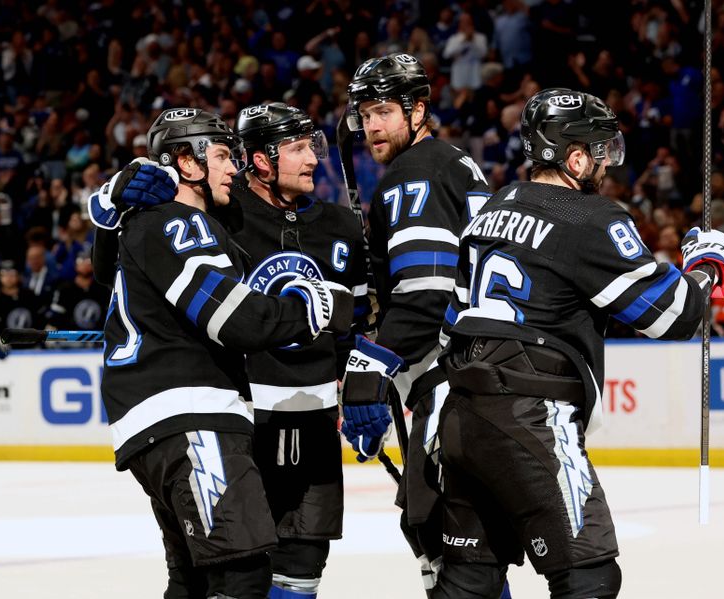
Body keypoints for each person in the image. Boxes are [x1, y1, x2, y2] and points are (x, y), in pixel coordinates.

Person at [433, 88, 724, 598]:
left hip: (462, 413)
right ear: (574, 156)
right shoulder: (590, 218)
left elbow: (454, 318)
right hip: (530, 414)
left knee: (469, 582)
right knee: (589, 575)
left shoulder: (493, 208)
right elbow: (673, 317)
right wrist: (717, 265)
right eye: (600, 149)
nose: (607, 162)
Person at [89, 103, 370, 599]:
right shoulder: (183, 223)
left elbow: (105, 270)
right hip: (193, 416)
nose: (232, 167)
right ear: (187, 162)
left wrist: (110, 207)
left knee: (197, 579)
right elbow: (237, 320)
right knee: (241, 574)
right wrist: (319, 306)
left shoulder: (151, 222)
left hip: (166, 422)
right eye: (221, 155)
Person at [338, 52, 496, 596]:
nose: (371, 125)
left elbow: (425, 297)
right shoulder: (455, 164)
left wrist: (370, 367)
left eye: (383, 110)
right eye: (364, 113)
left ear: (417, 109)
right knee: (469, 544)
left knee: (446, 543)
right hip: (486, 374)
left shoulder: (415, 172)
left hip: (452, 381)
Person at [229, 103, 369, 599]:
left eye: (313, 146)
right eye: (296, 148)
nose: (312, 158)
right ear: (261, 160)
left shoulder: (341, 228)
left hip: (314, 419)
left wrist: (364, 389)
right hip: (242, 422)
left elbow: (361, 327)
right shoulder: (222, 220)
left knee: (304, 561)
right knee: (235, 568)